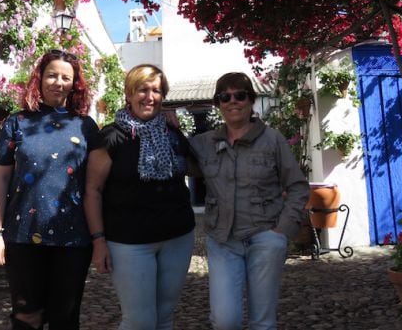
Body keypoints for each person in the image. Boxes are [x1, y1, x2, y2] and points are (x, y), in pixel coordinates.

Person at [0, 49, 100, 330]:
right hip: (23, 235)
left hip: (73, 238)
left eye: (65, 77)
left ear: (75, 84)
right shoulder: (17, 122)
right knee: (26, 316)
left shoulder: (86, 126)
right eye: (52, 75)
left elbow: (96, 184)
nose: (57, 82)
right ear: (40, 78)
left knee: (65, 318)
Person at [189, 72, 310, 330]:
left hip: (265, 236)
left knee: (263, 322)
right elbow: (175, 157)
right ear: (218, 104)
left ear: (251, 99)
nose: (233, 101)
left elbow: (298, 186)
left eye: (240, 95)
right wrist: (170, 126)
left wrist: (282, 231)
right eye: (225, 97)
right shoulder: (204, 143)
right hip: (223, 240)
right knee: (225, 320)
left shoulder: (272, 139)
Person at [84, 64, 195, 330]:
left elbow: (195, 169)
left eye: (156, 90)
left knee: (165, 317)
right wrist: (98, 241)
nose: (150, 96)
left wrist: (181, 134)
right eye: (142, 90)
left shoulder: (171, 133)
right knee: (139, 321)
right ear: (129, 94)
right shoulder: (111, 137)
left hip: (177, 237)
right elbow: (92, 191)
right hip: (130, 242)